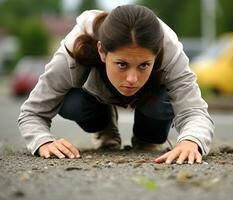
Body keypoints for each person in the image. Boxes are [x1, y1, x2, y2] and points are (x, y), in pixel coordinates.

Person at [18, 5, 214, 165]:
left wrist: (191, 141)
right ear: (102, 51)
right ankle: (104, 127)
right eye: (122, 64)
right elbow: (32, 112)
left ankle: (147, 137)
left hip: (152, 97)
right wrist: (43, 141)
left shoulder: (171, 54)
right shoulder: (71, 54)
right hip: (91, 98)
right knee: (72, 102)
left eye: (144, 65)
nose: (132, 79)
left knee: (163, 104)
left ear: (156, 55)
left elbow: (194, 111)